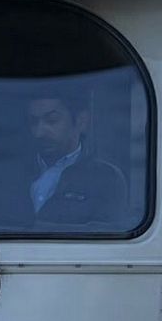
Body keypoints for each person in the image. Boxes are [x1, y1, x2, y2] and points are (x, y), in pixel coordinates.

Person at [25, 89, 128, 227]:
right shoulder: (9, 174)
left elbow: (105, 236)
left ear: (81, 121)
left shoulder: (106, 178)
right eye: (33, 122)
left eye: (52, 120)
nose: (39, 132)